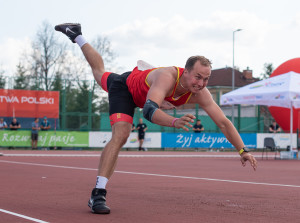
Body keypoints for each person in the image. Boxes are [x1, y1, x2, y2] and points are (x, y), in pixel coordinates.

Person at [55, 23, 258, 215]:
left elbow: (223, 122)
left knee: (104, 78)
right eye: (197, 77)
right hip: (124, 88)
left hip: (146, 94)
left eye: (206, 79)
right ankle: (98, 194)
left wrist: (243, 150)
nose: (201, 83)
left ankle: (76, 33)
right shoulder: (168, 76)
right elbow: (148, 111)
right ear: (185, 72)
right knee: (120, 130)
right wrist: (173, 121)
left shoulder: (201, 93)